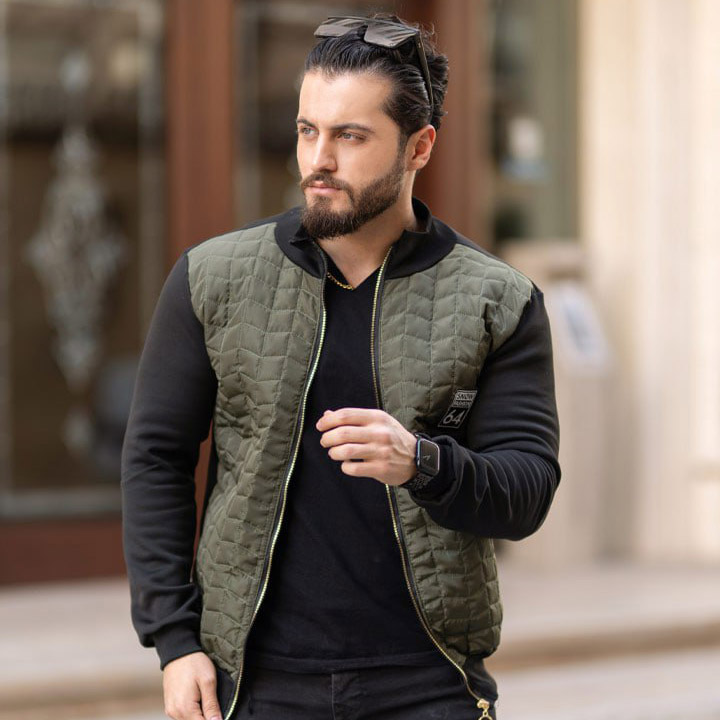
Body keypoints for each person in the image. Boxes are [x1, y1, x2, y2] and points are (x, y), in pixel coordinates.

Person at [121, 13, 560, 720]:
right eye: (307, 130)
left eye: (350, 136)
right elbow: (155, 459)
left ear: (419, 147)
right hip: (257, 684)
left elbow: (527, 491)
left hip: (428, 683)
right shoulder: (212, 278)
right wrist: (174, 641)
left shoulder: (496, 300)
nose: (318, 160)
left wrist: (422, 462)